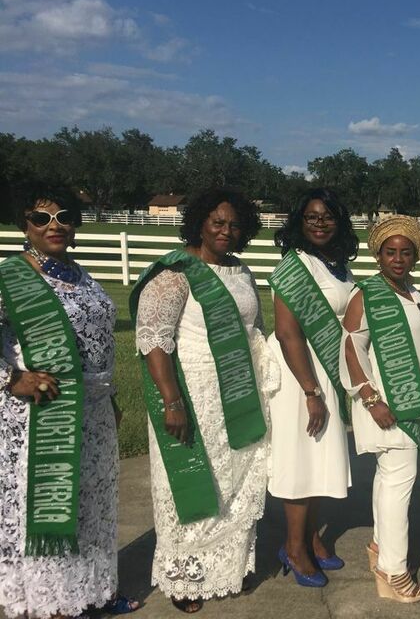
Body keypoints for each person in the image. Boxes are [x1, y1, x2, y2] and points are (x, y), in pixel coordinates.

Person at [132, 189, 276, 613]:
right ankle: (186, 576)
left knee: (235, 480)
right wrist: (171, 401)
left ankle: (226, 568)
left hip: (239, 391)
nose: (226, 231)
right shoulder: (175, 273)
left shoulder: (242, 271)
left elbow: (254, 328)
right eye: (217, 222)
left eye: (234, 225)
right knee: (192, 482)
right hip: (192, 393)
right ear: (199, 223)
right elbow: (154, 341)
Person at [0, 188, 138, 618]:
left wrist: (111, 397)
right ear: (25, 226)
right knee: (52, 504)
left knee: (94, 503)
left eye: (64, 216)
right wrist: (12, 378)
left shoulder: (81, 274)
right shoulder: (11, 277)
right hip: (44, 413)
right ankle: (54, 601)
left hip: (95, 410)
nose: (54, 225)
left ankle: (94, 590)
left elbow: (100, 345)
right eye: (41, 218)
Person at [266, 189, 358, 587]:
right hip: (299, 372)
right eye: (311, 217)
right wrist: (310, 391)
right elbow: (287, 333)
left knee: (319, 457)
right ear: (299, 222)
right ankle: (294, 547)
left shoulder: (336, 265)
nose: (320, 223)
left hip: (326, 367)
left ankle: (311, 538)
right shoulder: (295, 266)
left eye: (328, 216)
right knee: (301, 459)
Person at [340, 215, 420, 603]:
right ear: (378, 255)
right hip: (385, 406)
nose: (397, 259)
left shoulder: (412, 292)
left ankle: (380, 548)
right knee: (399, 484)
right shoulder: (366, 294)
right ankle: (394, 572)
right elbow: (351, 347)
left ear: (415, 257)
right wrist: (371, 398)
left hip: (408, 404)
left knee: (388, 480)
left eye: (405, 252)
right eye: (390, 252)